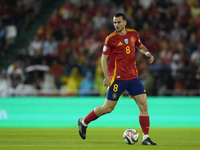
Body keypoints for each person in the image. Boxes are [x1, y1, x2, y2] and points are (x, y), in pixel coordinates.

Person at [78, 13, 156, 145]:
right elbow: (103, 58)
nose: (116, 25)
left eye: (119, 22)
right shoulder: (110, 39)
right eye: (114, 22)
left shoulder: (133, 34)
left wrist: (147, 53)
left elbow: (140, 46)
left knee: (143, 103)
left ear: (125, 22)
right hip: (117, 79)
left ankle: (145, 137)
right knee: (108, 108)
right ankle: (84, 121)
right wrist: (107, 77)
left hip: (133, 77)